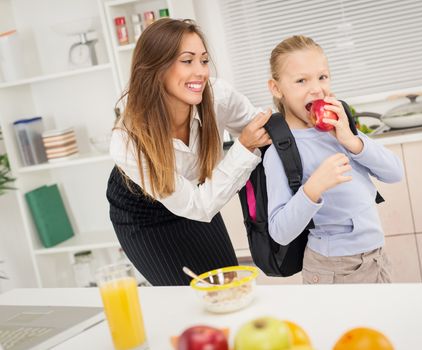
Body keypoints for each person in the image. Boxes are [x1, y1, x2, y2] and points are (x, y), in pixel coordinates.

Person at [106, 18, 271, 286]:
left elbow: (260, 123)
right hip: (144, 214)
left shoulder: (218, 96)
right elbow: (198, 206)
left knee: (228, 286)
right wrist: (245, 147)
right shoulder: (128, 140)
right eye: (187, 61)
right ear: (156, 68)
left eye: (204, 61)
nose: (201, 72)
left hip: (197, 192)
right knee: (189, 295)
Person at [265, 35, 404, 284]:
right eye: (300, 80)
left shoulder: (338, 128)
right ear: (276, 88)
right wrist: (313, 188)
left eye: (322, 77)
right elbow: (279, 232)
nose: (317, 88)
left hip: (376, 256)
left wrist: (352, 140)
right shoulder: (280, 151)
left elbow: (395, 173)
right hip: (334, 267)